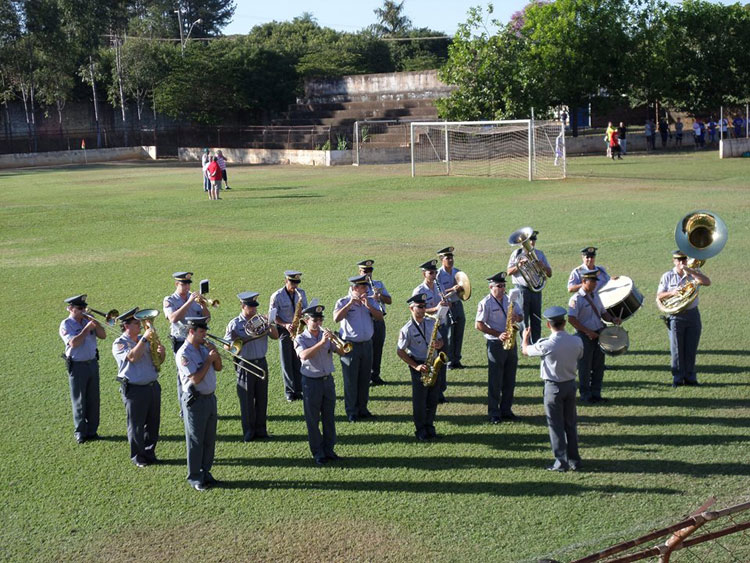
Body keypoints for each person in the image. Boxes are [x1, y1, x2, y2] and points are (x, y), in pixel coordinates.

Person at [522, 306, 584, 472]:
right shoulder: (577, 341)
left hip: (553, 387)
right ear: (564, 322)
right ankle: (574, 460)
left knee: (556, 426)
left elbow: (525, 351)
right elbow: (579, 356)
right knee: (570, 424)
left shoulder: (547, 345)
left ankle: (561, 462)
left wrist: (524, 338)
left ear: (549, 325)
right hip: (570, 385)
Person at [112, 307, 165, 467]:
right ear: (126, 326)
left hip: (152, 387)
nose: (141, 326)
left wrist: (161, 353)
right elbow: (133, 357)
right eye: (136, 323)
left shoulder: (145, 338)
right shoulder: (119, 343)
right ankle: (138, 456)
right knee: (136, 425)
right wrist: (144, 340)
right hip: (135, 390)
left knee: (153, 423)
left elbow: (158, 361)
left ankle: (150, 452)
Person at [294, 304, 345, 465]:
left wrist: (337, 344)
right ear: (306, 321)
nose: (318, 323)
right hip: (311, 383)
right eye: (315, 320)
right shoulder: (300, 338)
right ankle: (318, 452)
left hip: (327, 381)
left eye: (320, 319)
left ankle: (329, 449)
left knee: (329, 418)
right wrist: (322, 342)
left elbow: (342, 352)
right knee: (313, 419)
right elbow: (303, 355)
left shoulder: (326, 336)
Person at [224, 291, 279, 442]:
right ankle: (249, 431)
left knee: (262, 398)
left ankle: (261, 430)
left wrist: (271, 324)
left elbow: (275, 336)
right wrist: (238, 342)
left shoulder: (261, 320)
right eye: (250, 307)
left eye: (255, 307)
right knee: (247, 399)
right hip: (245, 364)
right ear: (242, 306)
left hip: (261, 362)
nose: (254, 310)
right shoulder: (234, 324)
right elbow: (227, 346)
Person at [176, 316, 222, 491]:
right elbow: (195, 378)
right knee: (196, 440)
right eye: (201, 332)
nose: (205, 335)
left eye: (205, 332)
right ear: (191, 331)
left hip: (210, 398)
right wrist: (209, 360)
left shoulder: (204, 348)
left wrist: (215, 355)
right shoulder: (184, 354)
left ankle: (206, 472)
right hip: (195, 400)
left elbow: (218, 368)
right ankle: (195, 476)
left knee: (209, 439)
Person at [333, 274, 384, 422]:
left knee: (364, 379)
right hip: (350, 346)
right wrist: (350, 304)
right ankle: (351, 411)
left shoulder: (370, 300)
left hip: (367, 345)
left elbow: (380, 317)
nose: (366, 289)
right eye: (363, 287)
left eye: (366, 287)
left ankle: (363, 408)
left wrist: (369, 305)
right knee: (351, 380)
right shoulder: (343, 301)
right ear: (354, 288)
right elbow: (336, 318)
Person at [657, 250, 711, 387]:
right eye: (679, 261)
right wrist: (672, 292)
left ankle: (690, 378)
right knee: (677, 349)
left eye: (684, 260)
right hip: (676, 316)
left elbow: (707, 282)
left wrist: (691, 271)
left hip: (693, 314)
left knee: (691, 348)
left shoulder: (693, 274)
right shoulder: (667, 276)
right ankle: (678, 379)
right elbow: (659, 295)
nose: (681, 263)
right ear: (674, 261)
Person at [475, 273, 523, 424]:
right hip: (495, 344)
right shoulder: (486, 303)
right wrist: (498, 334)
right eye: (499, 286)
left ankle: (506, 409)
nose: (502, 289)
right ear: (491, 287)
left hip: (511, 341)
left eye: (504, 286)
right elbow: (479, 325)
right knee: (495, 380)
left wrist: (517, 318)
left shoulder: (511, 299)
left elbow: (521, 316)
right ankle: (494, 412)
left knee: (510, 378)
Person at [567, 269, 621, 403]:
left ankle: (596, 393)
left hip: (599, 334)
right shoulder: (576, 299)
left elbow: (603, 312)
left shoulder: (596, 296)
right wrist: (587, 331)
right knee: (585, 367)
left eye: (595, 281)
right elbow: (572, 319)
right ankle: (586, 395)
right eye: (592, 281)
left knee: (598, 366)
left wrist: (613, 319)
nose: (595, 284)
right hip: (584, 337)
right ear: (584, 282)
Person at [59, 294, 106, 444]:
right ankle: (80, 431)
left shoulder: (89, 320)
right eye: (80, 308)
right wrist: (86, 328)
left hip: (92, 363)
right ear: (70, 308)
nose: (83, 311)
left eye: (84, 308)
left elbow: (103, 335)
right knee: (79, 400)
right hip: (77, 365)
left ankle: (92, 430)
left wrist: (96, 323)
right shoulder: (66, 324)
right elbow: (74, 343)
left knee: (93, 399)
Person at [397, 293, 445, 441]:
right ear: (411, 308)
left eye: (424, 306)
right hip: (419, 365)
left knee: (432, 398)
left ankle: (430, 426)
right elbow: (400, 351)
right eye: (420, 307)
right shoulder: (407, 329)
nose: (423, 309)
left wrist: (439, 344)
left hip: (433, 364)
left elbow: (441, 339)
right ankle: (420, 429)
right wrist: (416, 366)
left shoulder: (431, 323)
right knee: (420, 401)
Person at [163, 272, 211, 409]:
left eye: (189, 284)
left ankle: (202, 404)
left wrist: (204, 306)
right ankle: (185, 407)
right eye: (184, 284)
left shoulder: (194, 299)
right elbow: (173, 318)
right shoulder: (170, 300)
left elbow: (207, 319)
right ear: (176, 284)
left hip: (197, 342)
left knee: (201, 369)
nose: (187, 287)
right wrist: (189, 302)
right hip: (181, 341)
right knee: (183, 376)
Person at [412, 259, 450, 402]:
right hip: (428, 328)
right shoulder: (419, 291)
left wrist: (446, 306)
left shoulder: (439, 287)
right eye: (431, 273)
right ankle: (429, 388)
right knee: (429, 358)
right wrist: (435, 308)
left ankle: (440, 390)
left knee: (441, 359)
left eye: (435, 272)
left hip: (441, 325)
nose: (434, 275)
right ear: (424, 274)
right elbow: (417, 310)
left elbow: (444, 306)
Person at [507, 229, 552, 344]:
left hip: (536, 289)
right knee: (523, 318)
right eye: (530, 240)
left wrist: (542, 266)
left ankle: (536, 342)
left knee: (536, 317)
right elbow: (508, 271)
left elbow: (549, 273)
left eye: (533, 240)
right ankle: (525, 344)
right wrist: (519, 266)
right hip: (521, 289)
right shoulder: (516, 254)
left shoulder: (540, 254)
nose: (531, 242)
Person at [269, 270, 308, 402]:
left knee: (298, 360)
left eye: (297, 283)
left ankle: (298, 389)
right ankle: (289, 391)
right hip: (285, 332)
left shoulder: (301, 293)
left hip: (298, 331)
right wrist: (285, 325)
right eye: (292, 283)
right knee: (287, 362)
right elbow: (273, 316)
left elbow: (305, 310)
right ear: (286, 281)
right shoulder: (277, 296)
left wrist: (304, 317)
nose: (295, 286)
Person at [358, 259, 391, 386]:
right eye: (365, 271)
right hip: (366, 322)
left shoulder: (378, 284)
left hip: (378, 321)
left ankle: (375, 375)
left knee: (378, 349)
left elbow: (389, 300)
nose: (368, 274)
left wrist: (380, 296)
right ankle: (366, 377)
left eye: (370, 271)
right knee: (367, 351)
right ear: (359, 271)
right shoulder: (356, 287)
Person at [436, 246, 467, 370]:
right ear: (442, 259)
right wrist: (452, 289)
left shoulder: (458, 272)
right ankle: (449, 361)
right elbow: (438, 292)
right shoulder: (438, 275)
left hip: (457, 305)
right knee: (448, 334)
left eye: (451, 258)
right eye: (447, 258)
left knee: (459, 333)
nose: (450, 260)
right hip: (446, 307)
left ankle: (457, 360)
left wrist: (461, 288)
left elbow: (465, 287)